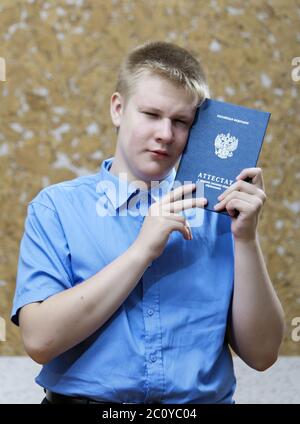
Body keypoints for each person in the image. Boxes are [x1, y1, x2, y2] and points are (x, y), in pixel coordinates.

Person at [11, 41, 285, 404]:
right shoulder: (56, 208)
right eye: (151, 114)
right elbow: (40, 341)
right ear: (118, 109)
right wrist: (141, 251)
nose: (166, 134)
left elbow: (263, 355)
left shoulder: (217, 210)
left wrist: (246, 239)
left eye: (181, 121)